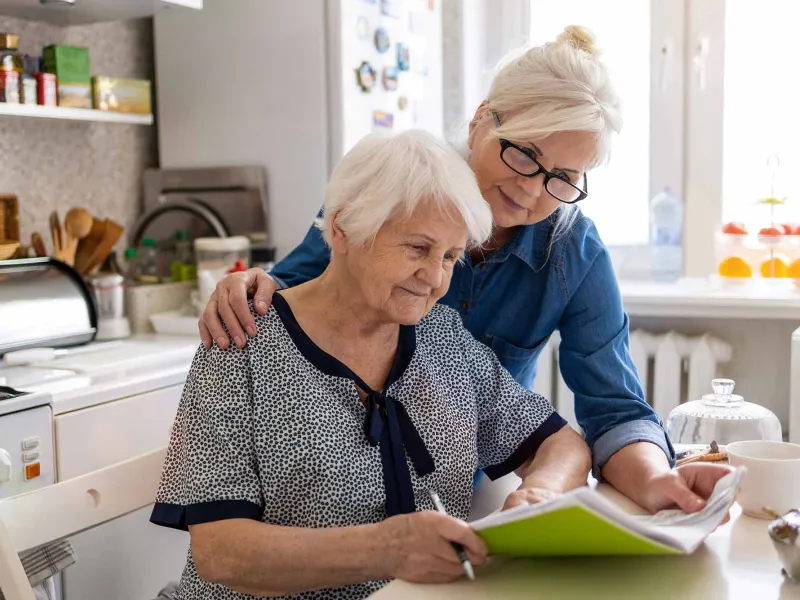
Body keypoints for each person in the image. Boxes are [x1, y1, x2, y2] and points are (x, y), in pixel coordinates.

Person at [198, 26, 731, 515]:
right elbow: (293, 293)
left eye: (562, 177)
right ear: (481, 119)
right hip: (334, 492)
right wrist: (249, 285)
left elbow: (613, 410)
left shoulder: (573, 252)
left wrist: (658, 479)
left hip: (462, 491)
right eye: (524, 153)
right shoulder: (393, 189)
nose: (529, 189)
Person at [151, 130, 591, 599]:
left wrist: (539, 494)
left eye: (450, 256)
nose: (434, 277)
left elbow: (562, 445)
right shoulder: (242, 341)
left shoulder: (443, 338)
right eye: (417, 249)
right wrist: (387, 549)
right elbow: (221, 552)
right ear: (342, 228)